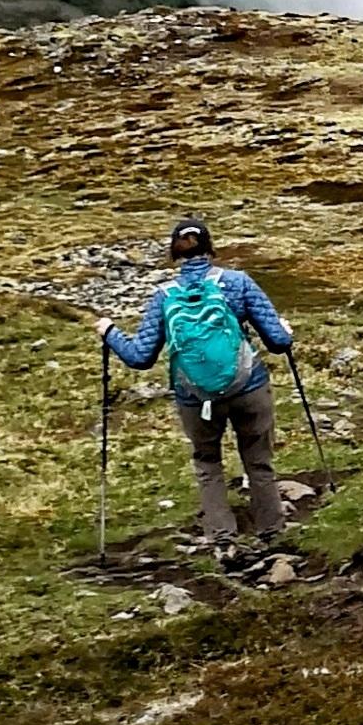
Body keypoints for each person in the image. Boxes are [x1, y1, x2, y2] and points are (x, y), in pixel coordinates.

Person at [95, 218, 298, 546]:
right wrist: (286, 331)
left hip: (195, 398)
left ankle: (222, 538)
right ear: (210, 248)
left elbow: (140, 357)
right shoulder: (237, 282)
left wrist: (109, 332)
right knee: (258, 460)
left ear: (174, 253)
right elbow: (277, 341)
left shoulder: (164, 296)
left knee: (207, 463)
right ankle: (273, 532)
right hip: (249, 387)